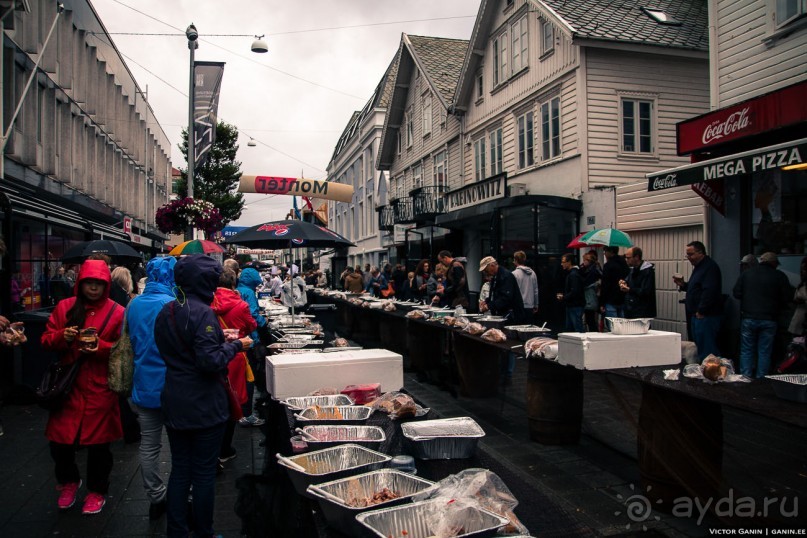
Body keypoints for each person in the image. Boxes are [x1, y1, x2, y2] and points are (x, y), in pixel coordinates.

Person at [153, 255, 252, 538]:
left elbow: (178, 350)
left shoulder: (168, 310)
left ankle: (178, 531)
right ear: (207, 281)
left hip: (174, 398)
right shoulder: (203, 313)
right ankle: (204, 532)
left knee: (180, 470)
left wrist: (220, 340)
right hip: (203, 403)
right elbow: (209, 362)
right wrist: (237, 346)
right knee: (203, 473)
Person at [41, 260, 125, 515]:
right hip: (68, 385)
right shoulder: (65, 307)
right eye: (89, 283)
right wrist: (61, 337)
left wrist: (101, 347)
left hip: (100, 386)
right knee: (59, 441)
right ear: (80, 283)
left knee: (99, 445)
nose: (94, 289)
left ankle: (97, 490)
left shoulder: (118, 312)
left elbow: (124, 350)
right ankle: (69, 482)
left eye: (99, 284)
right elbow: (46, 340)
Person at [128, 256, 177, 520]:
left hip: (143, 384)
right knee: (180, 443)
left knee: (149, 445)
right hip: (171, 385)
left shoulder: (134, 305)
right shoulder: (171, 304)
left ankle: (155, 496)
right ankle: (182, 494)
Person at [212, 268, 257, 467]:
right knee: (233, 400)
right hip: (235, 355)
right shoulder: (241, 304)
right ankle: (225, 448)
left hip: (213, 354)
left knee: (216, 398)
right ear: (233, 283)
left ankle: (215, 448)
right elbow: (251, 325)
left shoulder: (208, 303)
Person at [732, 252, 791, 378]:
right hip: (770, 319)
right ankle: (761, 379)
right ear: (774, 263)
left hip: (749, 317)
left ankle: (745, 377)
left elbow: (736, 293)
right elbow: (787, 297)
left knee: (746, 350)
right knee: (765, 351)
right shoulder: (779, 276)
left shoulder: (747, 274)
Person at [673, 241, 723, 360]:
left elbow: (710, 291)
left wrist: (701, 310)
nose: (689, 258)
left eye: (691, 254)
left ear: (701, 253)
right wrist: (684, 285)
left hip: (706, 316)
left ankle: (711, 373)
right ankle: (703, 371)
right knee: (699, 346)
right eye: (687, 255)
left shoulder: (710, 268)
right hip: (697, 315)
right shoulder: (699, 268)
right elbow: (697, 288)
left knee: (707, 349)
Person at [236, 267, 268, 427]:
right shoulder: (248, 293)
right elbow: (252, 315)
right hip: (250, 339)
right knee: (250, 376)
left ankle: (241, 409)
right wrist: (264, 322)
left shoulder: (238, 290)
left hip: (240, 338)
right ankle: (246, 412)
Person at [479, 256, 526, 323]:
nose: (485, 272)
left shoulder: (506, 276)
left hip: (511, 316)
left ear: (492, 265)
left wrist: (488, 306)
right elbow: (495, 295)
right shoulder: (495, 277)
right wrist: (486, 301)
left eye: (486, 270)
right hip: (502, 315)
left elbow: (505, 298)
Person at [620, 247, 657, 319]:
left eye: (628, 258)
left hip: (642, 311)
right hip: (631, 309)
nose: (626, 260)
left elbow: (645, 291)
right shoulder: (633, 270)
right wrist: (623, 282)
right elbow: (628, 281)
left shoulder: (647, 271)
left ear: (636, 257)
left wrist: (629, 289)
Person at [600, 246, 630, 322]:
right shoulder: (624, 264)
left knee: (612, 324)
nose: (605, 254)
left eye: (605, 252)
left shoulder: (608, 265)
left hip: (610, 298)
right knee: (622, 323)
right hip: (622, 297)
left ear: (611, 252)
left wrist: (602, 302)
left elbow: (605, 285)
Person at [557, 253, 585, 332]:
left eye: (563, 262)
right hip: (574, 305)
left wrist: (564, 297)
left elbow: (575, 291)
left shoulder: (573, 275)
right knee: (573, 329)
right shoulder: (574, 273)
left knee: (576, 329)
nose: (562, 264)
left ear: (569, 262)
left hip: (575, 305)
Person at [512, 251, 539, 325]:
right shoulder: (532, 273)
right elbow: (535, 290)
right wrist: (536, 304)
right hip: (530, 305)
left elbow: (512, 292)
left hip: (518, 306)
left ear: (515, 260)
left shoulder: (514, 274)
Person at [580, 251, 602, 332]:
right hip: (591, 295)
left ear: (588, 261)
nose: (583, 262)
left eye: (584, 260)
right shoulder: (594, 269)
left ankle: (593, 332)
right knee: (590, 319)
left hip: (590, 296)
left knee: (590, 319)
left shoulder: (592, 271)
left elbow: (585, 282)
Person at [788, 257, 807, 337]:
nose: (803, 272)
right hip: (799, 322)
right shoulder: (802, 284)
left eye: (805, 269)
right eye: (802, 269)